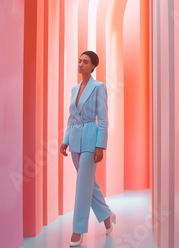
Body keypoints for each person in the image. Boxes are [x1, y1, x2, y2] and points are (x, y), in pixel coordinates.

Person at [59, 50, 116, 247]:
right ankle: (107, 216)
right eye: (79, 61)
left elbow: (104, 120)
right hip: (75, 140)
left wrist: (100, 145)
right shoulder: (75, 89)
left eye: (85, 62)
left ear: (93, 66)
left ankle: (78, 229)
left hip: (91, 141)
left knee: (83, 186)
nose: (81, 64)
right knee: (89, 185)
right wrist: (65, 140)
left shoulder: (99, 88)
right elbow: (71, 118)